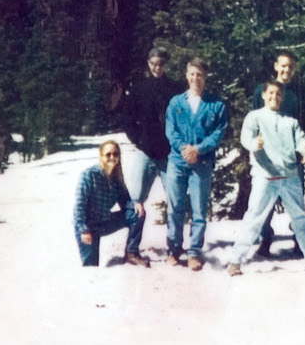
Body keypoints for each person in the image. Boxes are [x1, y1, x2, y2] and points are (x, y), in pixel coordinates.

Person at [228, 81, 305, 276]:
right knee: (254, 218)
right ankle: (235, 260)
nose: (274, 97)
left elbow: (301, 142)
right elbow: (246, 139)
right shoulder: (254, 117)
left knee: (299, 217)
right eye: (270, 93)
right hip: (266, 177)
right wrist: (256, 143)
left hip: (289, 176)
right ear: (263, 95)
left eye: (278, 94)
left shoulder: (291, 122)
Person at [115, 47, 185, 266]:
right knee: (135, 200)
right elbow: (126, 118)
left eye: (161, 63)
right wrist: (138, 140)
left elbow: (184, 119)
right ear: (148, 63)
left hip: (169, 155)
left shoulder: (175, 88)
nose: (157, 67)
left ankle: (174, 250)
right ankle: (132, 250)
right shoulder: (139, 88)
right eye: (153, 63)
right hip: (146, 152)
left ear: (166, 64)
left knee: (175, 201)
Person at [163, 58, 229, 271]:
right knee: (175, 207)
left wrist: (198, 150)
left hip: (202, 163)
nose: (195, 78)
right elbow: (170, 130)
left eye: (199, 74)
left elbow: (217, 134)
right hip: (177, 161)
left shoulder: (216, 105)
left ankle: (194, 252)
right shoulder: (177, 103)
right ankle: (174, 249)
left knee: (199, 210)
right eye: (192, 74)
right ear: (186, 75)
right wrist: (185, 149)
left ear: (205, 77)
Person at [251, 51, 305, 257]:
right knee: (265, 201)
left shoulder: (300, 92)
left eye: (290, 66)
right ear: (275, 66)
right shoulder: (263, 91)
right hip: (268, 157)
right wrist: (255, 148)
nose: (286, 70)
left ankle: (299, 240)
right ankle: (265, 238)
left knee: (296, 201)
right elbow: (255, 122)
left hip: (292, 156)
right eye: (283, 66)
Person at [73, 141, 144, 267]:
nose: (112, 157)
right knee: (91, 268)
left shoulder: (116, 178)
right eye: (108, 154)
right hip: (88, 227)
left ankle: (131, 253)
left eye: (115, 154)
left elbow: (125, 202)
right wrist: (84, 230)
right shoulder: (89, 175)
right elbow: (79, 208)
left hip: (104, 221)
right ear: (101, 156)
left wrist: (135, 204)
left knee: (136, 214)